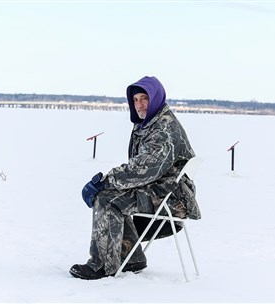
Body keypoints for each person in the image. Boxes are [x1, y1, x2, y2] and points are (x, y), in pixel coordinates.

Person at [70, 76, 201, 280]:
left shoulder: (164, 130)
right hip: (160, 189)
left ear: (156, 98)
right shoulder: (149, 123)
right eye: (135, 100)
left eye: (144, 99)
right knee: (111, 193)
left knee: (106, 198)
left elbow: (143, 169)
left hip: (172, 199)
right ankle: (131, 257)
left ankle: (102, 265)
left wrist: (104, 181)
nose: (139, 104)